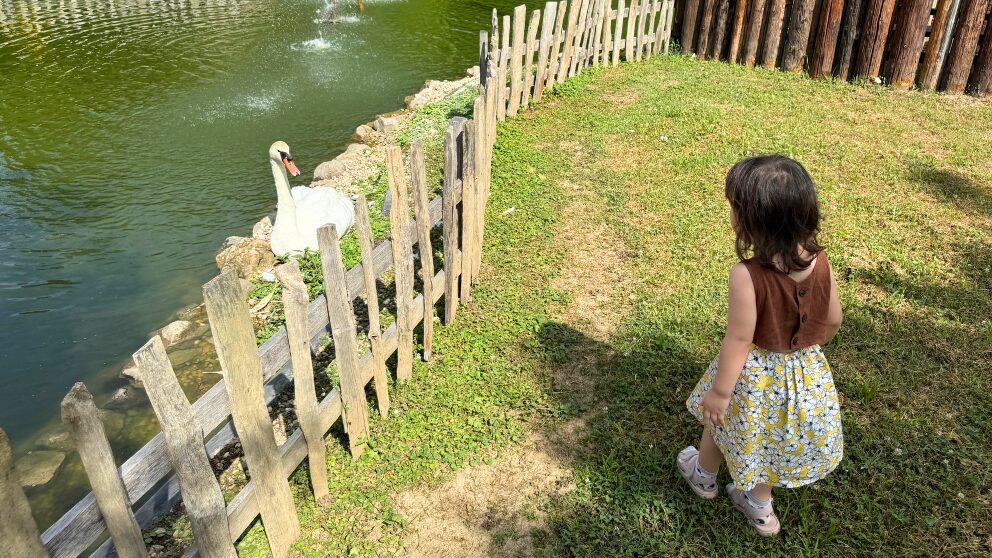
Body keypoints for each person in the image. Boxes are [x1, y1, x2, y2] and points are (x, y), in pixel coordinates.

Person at [679, 155, 844, 536]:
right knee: (770, 439)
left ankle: (703, 476)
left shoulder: (746, 275)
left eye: (736, 209)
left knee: (721, 422)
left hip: (752, 376)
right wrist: (811, 350)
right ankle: (759, 506)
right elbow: (833, 318)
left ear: (753, 221)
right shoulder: (821, 261)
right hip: (804, 370)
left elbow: (738, 337)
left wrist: (721, 391)